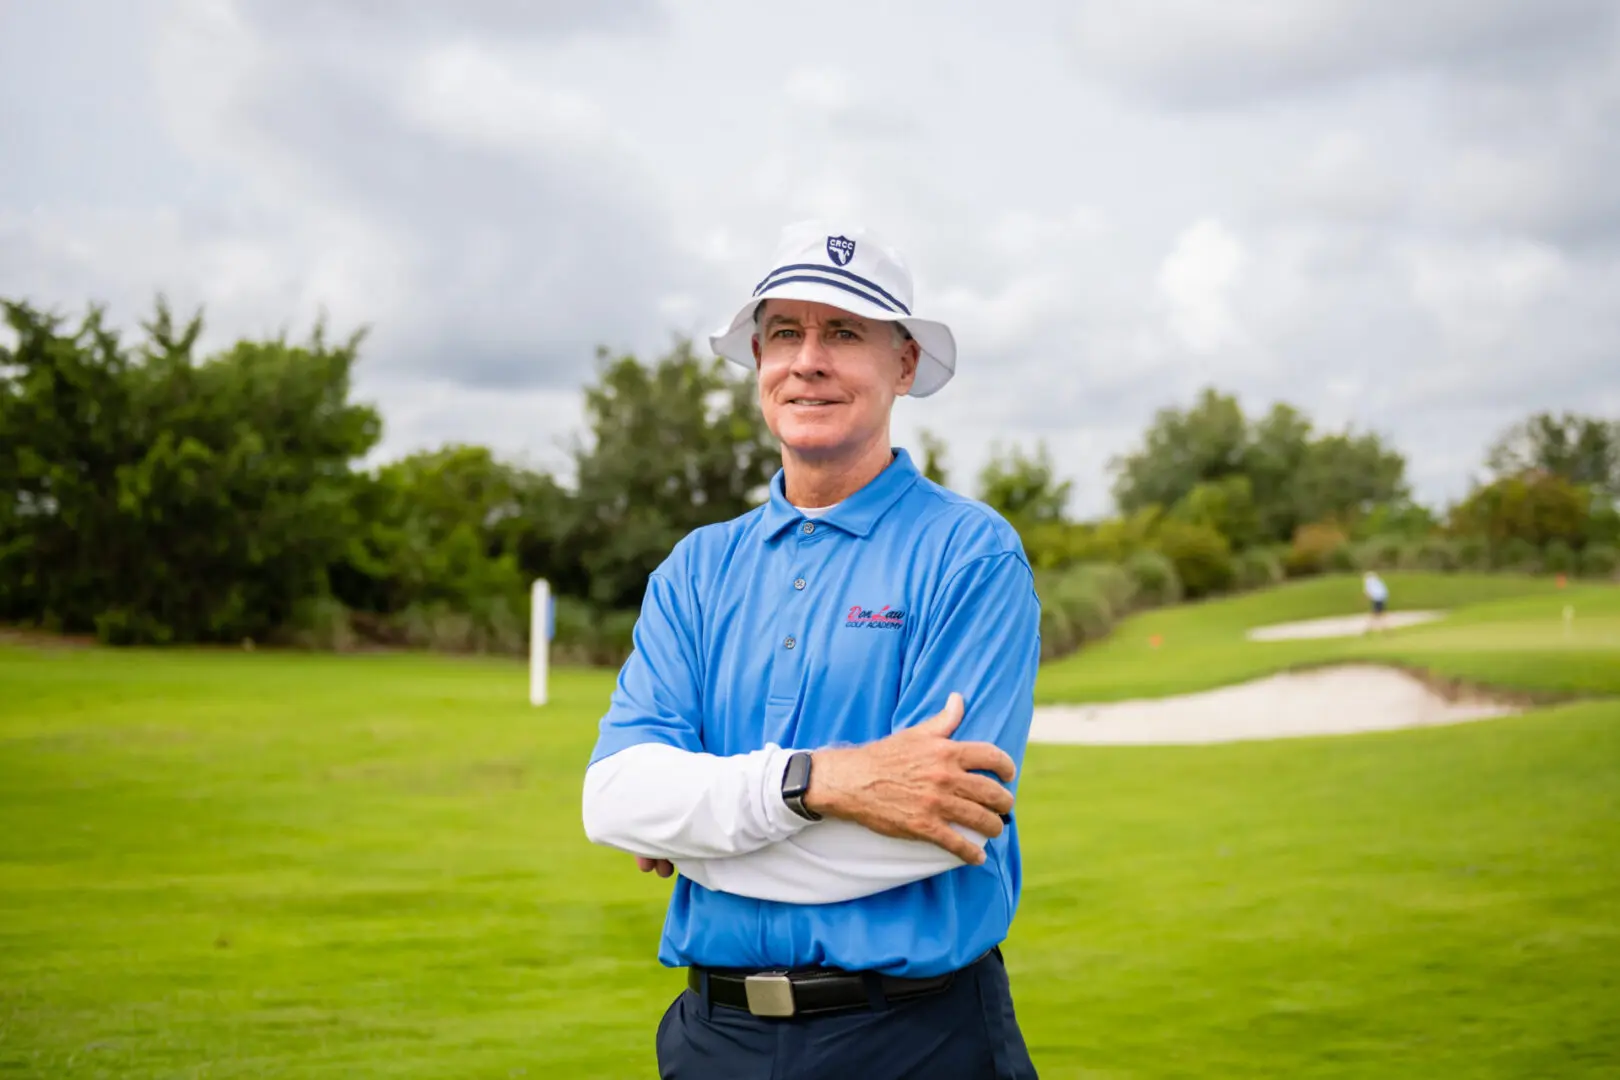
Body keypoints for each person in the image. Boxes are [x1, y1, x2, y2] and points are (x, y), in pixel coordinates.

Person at [580, 221, 1042, 1079]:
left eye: (845, 332)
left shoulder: (970, 554)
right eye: (785, 333)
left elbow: (932, 830)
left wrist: (701, 837)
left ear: (902, 364)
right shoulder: (698, 567)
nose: (809, 360)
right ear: (759, 361)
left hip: (916, 1039)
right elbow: (614, 800)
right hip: (712, 1039)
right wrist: (823, 784)